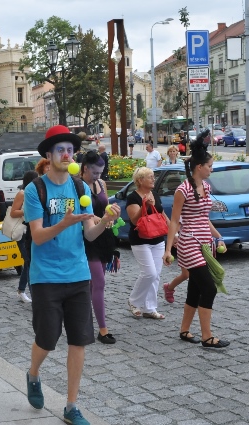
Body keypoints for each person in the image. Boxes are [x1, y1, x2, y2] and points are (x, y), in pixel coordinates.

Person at [23, 125, 120, 424]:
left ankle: (71, 406)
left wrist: (105, 220)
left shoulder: (80, 188)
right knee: (47, 338)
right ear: (49, 155)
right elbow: (37, 237)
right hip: (46, 276)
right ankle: (33, 373)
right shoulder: (35, 189)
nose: (66, 154)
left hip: (78, 275)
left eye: (70, 150)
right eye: (60, 150)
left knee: (78, 341)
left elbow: (89, 234)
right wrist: (65, 223)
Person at [163, 131, 229, 348]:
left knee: (195, 288)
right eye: (209, 166)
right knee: (209, 288)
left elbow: (204, 217)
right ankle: (207, 336)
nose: (211, 169)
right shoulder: (183, 190)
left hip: (205, 243)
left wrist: (217, 236)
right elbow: (174, 221)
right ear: (199, 167)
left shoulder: (207, 187)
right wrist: (167, 249)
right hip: (189, 243)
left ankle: (184, 330)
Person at [80, 151, 118, 344]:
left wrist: (112, 215)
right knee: (99, 282)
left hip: (103, 236)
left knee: (94, 284)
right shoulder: (77, 185)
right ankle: (102, 329)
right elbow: (83, 214)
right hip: (86, 239)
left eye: (101, 173)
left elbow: (106, 207)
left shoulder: (101, 184)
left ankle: (85, 321)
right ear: (85, 168)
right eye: (95, 173)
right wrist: (103, 219)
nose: (98, 177)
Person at [126, 167, 170, 319]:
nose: (153, 179)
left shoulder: (155, 194)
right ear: (140, 180)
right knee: (149, 273)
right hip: (140, 240)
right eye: (150, 177)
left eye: (153, 177)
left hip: (157, 239)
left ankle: (150, 308)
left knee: (156, 275)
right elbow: (134, 220)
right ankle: (134, 301)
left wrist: (174, 233)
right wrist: (146, 205)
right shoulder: (133, 197)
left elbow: (162, 214)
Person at [10, 170, 38, 303]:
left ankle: (21, 290)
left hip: (32, 231)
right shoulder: (23, 193)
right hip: (22, 232)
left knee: (29, 263)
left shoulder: (37, 193)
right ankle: (31, 294)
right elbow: (13, 212)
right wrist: (28, 210)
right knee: (29, 262)